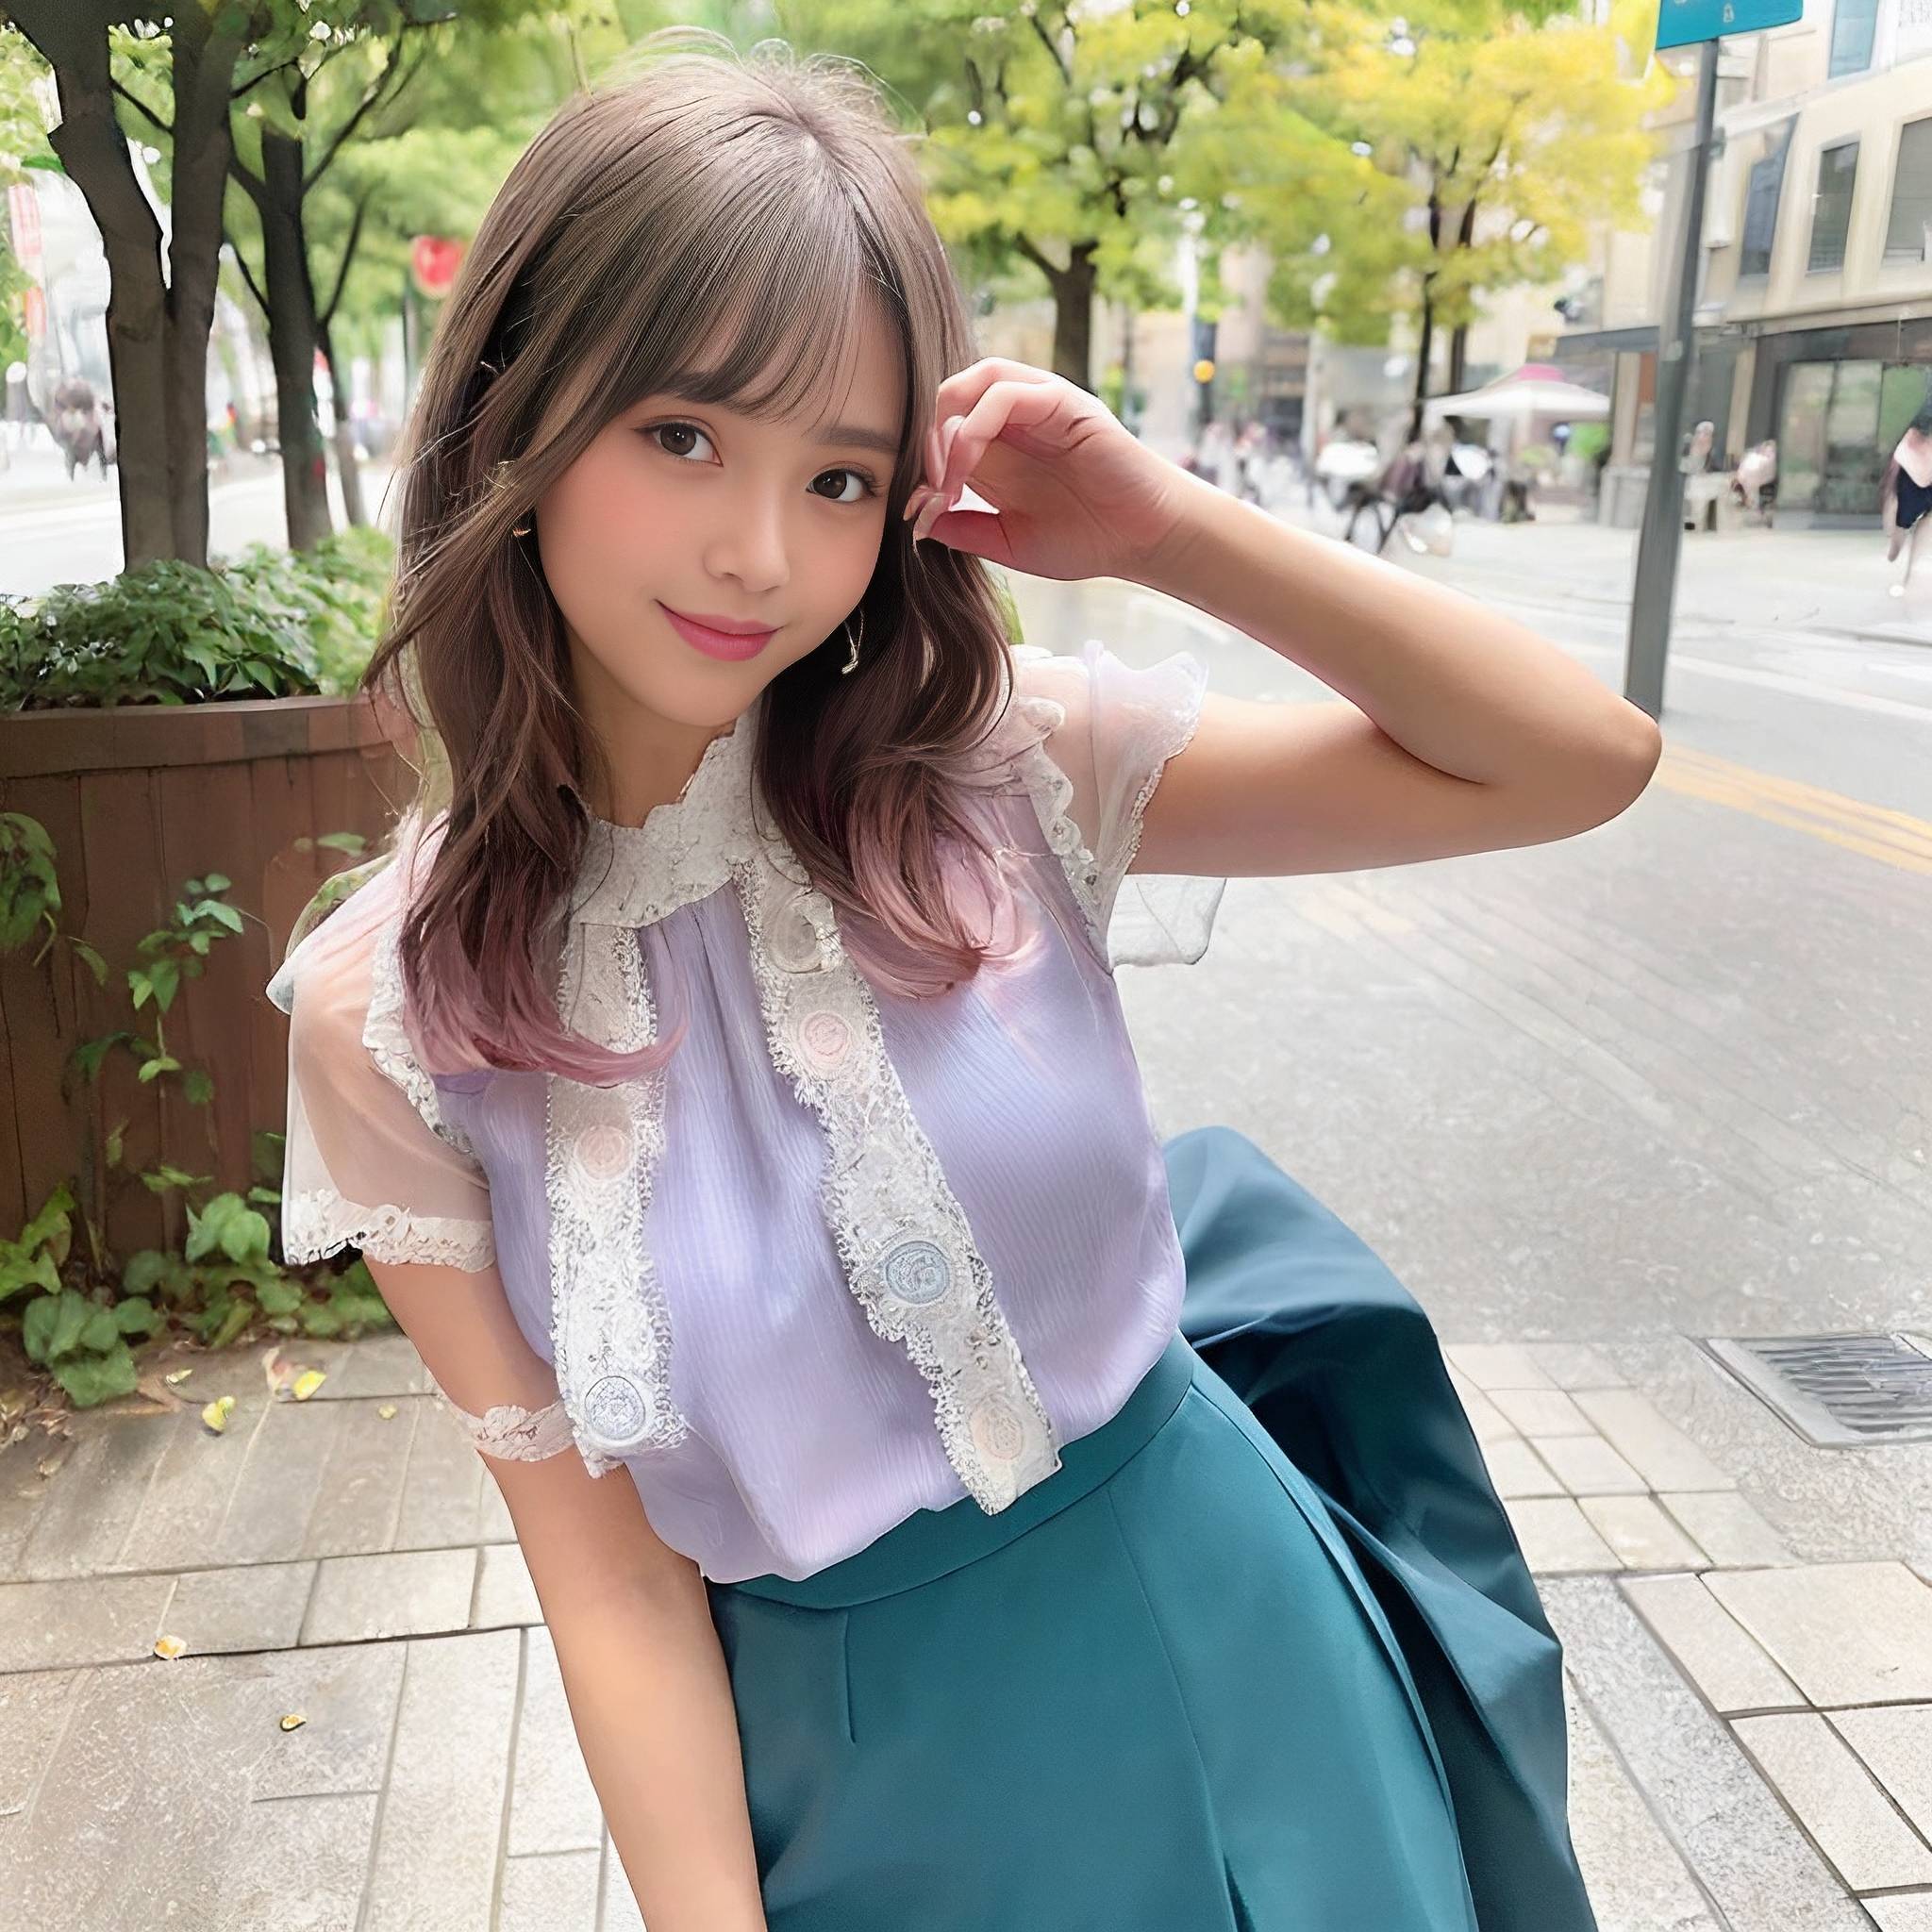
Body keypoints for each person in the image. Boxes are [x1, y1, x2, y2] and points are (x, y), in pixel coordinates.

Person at [265, 29, 1658, 1931]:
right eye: (680, 435)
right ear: (518, 408)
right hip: (867, 1786)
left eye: (839, 475)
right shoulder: (391, 1017)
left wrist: (1166, 532)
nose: (759, 551)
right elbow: (605, 1580)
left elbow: (1572, 758)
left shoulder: (991, 772)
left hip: (1234, 1645)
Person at [1881, 406, 1932, 598]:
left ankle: (1908, 577)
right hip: (1909, 480)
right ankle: (1895, 550)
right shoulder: (1910, 442)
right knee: (1900, 530)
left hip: (1924, 482)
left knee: (1925, 522)